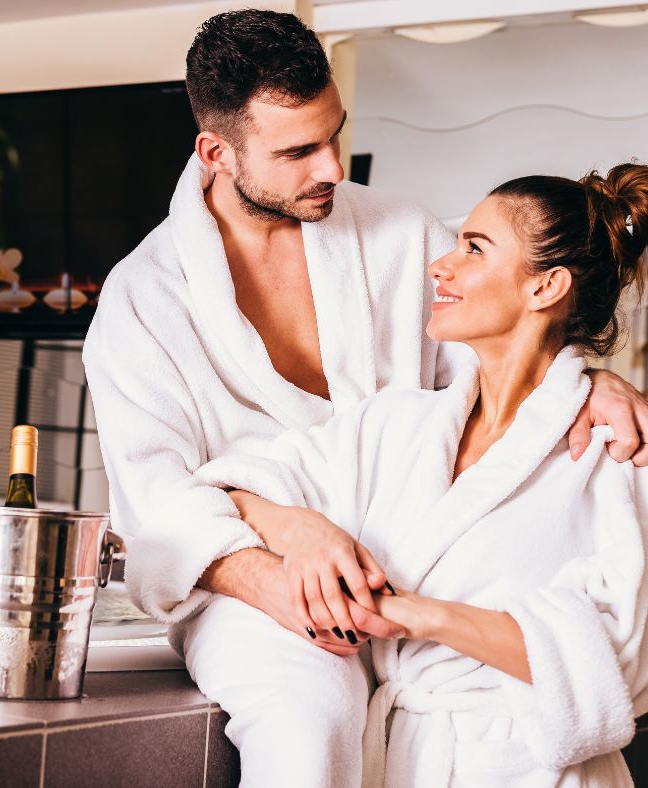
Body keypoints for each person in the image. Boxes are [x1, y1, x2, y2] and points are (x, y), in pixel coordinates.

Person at [83, 9, 648, 786]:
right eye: (298, 151)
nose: (333, 169)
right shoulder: (144, 300)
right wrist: (287, 561)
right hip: (248, 576)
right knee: (309, 717)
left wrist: (588, 379)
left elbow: (509, 353)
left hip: (414, 572)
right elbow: (155, 505)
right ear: (216, 152)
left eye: (335, 134)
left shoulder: (403, 235)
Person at [196, 164, 648, 786]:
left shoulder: (619, 452)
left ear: (546, 286)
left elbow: (618, 657)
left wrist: (415, 615)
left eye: (474, 248)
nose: (441, 265)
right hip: (405, 760)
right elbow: (230, 490)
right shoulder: (397, 424)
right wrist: (298, 528)